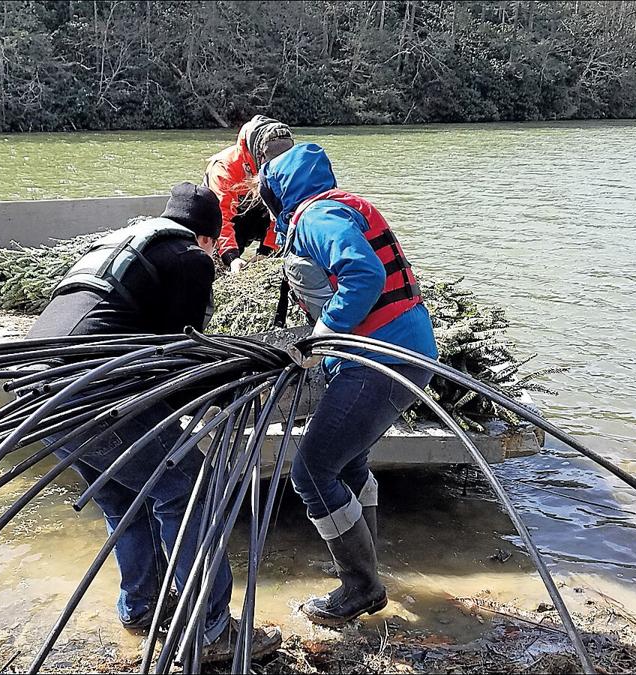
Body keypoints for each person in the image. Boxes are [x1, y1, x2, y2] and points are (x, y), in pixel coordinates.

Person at [26, 182, 282, 662]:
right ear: (208, 236)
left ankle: (142, 610)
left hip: (36, 390)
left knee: (128, 497)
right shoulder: (191, 259)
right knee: (190, 492)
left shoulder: (122, 244)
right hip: (93, 391)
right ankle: (212, 631)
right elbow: (176, 358)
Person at [257, 144, 439, 628]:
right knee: (348, 461)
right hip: (396, 352)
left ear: (281, 193)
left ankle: (360, 588)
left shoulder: (316, 218)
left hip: (383, 360)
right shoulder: (336, 205)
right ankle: (368, 568)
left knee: (313, 473)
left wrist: (323, 333)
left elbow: (364, 273)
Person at [203, 114, 294, 274]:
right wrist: (232, 257)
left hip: (260, 216)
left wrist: (267, 251)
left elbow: (282, 211)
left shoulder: (285, 167)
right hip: (228, 219)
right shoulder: (226, 167)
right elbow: (222, 218)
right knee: (217, 266)